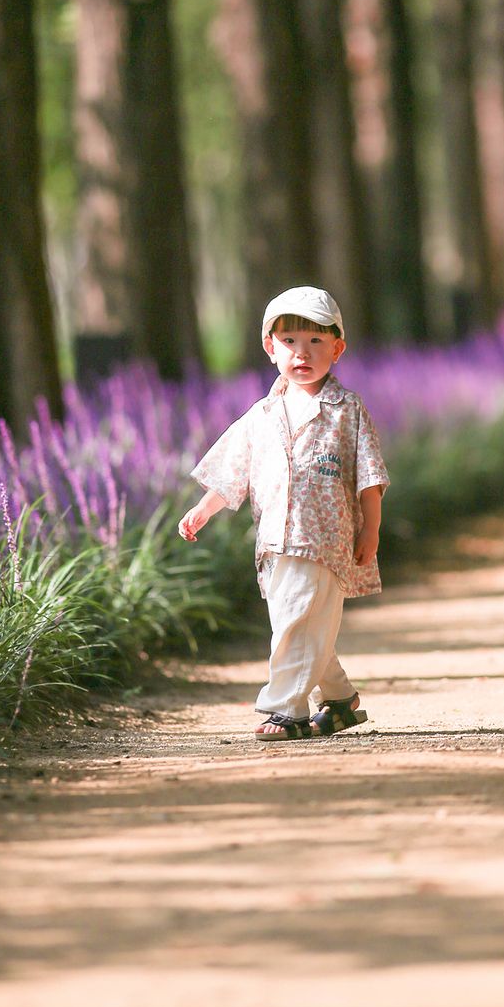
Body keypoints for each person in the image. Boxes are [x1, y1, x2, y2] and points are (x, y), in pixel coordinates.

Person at [178, 286, 389, 742]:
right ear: (270, 349)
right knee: (298, 621)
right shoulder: (261, 415)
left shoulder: (346, 411)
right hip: (274, 541)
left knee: (297, 620)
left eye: (316, 342)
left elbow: (369, 475)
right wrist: (203, 509)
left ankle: (285, 710)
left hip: (324, 541)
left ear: (338, 348)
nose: (302, 353)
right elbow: (234, 472)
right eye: (290, 341)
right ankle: (338, 698)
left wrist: (371, 528)